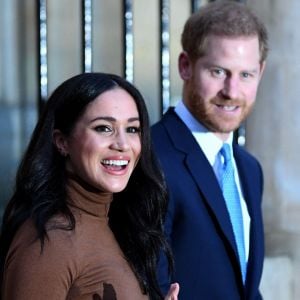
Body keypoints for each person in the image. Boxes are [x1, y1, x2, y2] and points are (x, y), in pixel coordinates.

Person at [0, 72, 179, 300]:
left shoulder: (122, 224)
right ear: (62, 141)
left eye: (132, 129)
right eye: (104, 128)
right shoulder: (50, 241)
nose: (122, 144)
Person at [152, 1, 268, 299]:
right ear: (185, 66)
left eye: (246, 75)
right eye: (218, 71)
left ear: (261, 72)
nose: (232, 91)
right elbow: (150, 286)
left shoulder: (249, 169)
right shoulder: (150, 157)